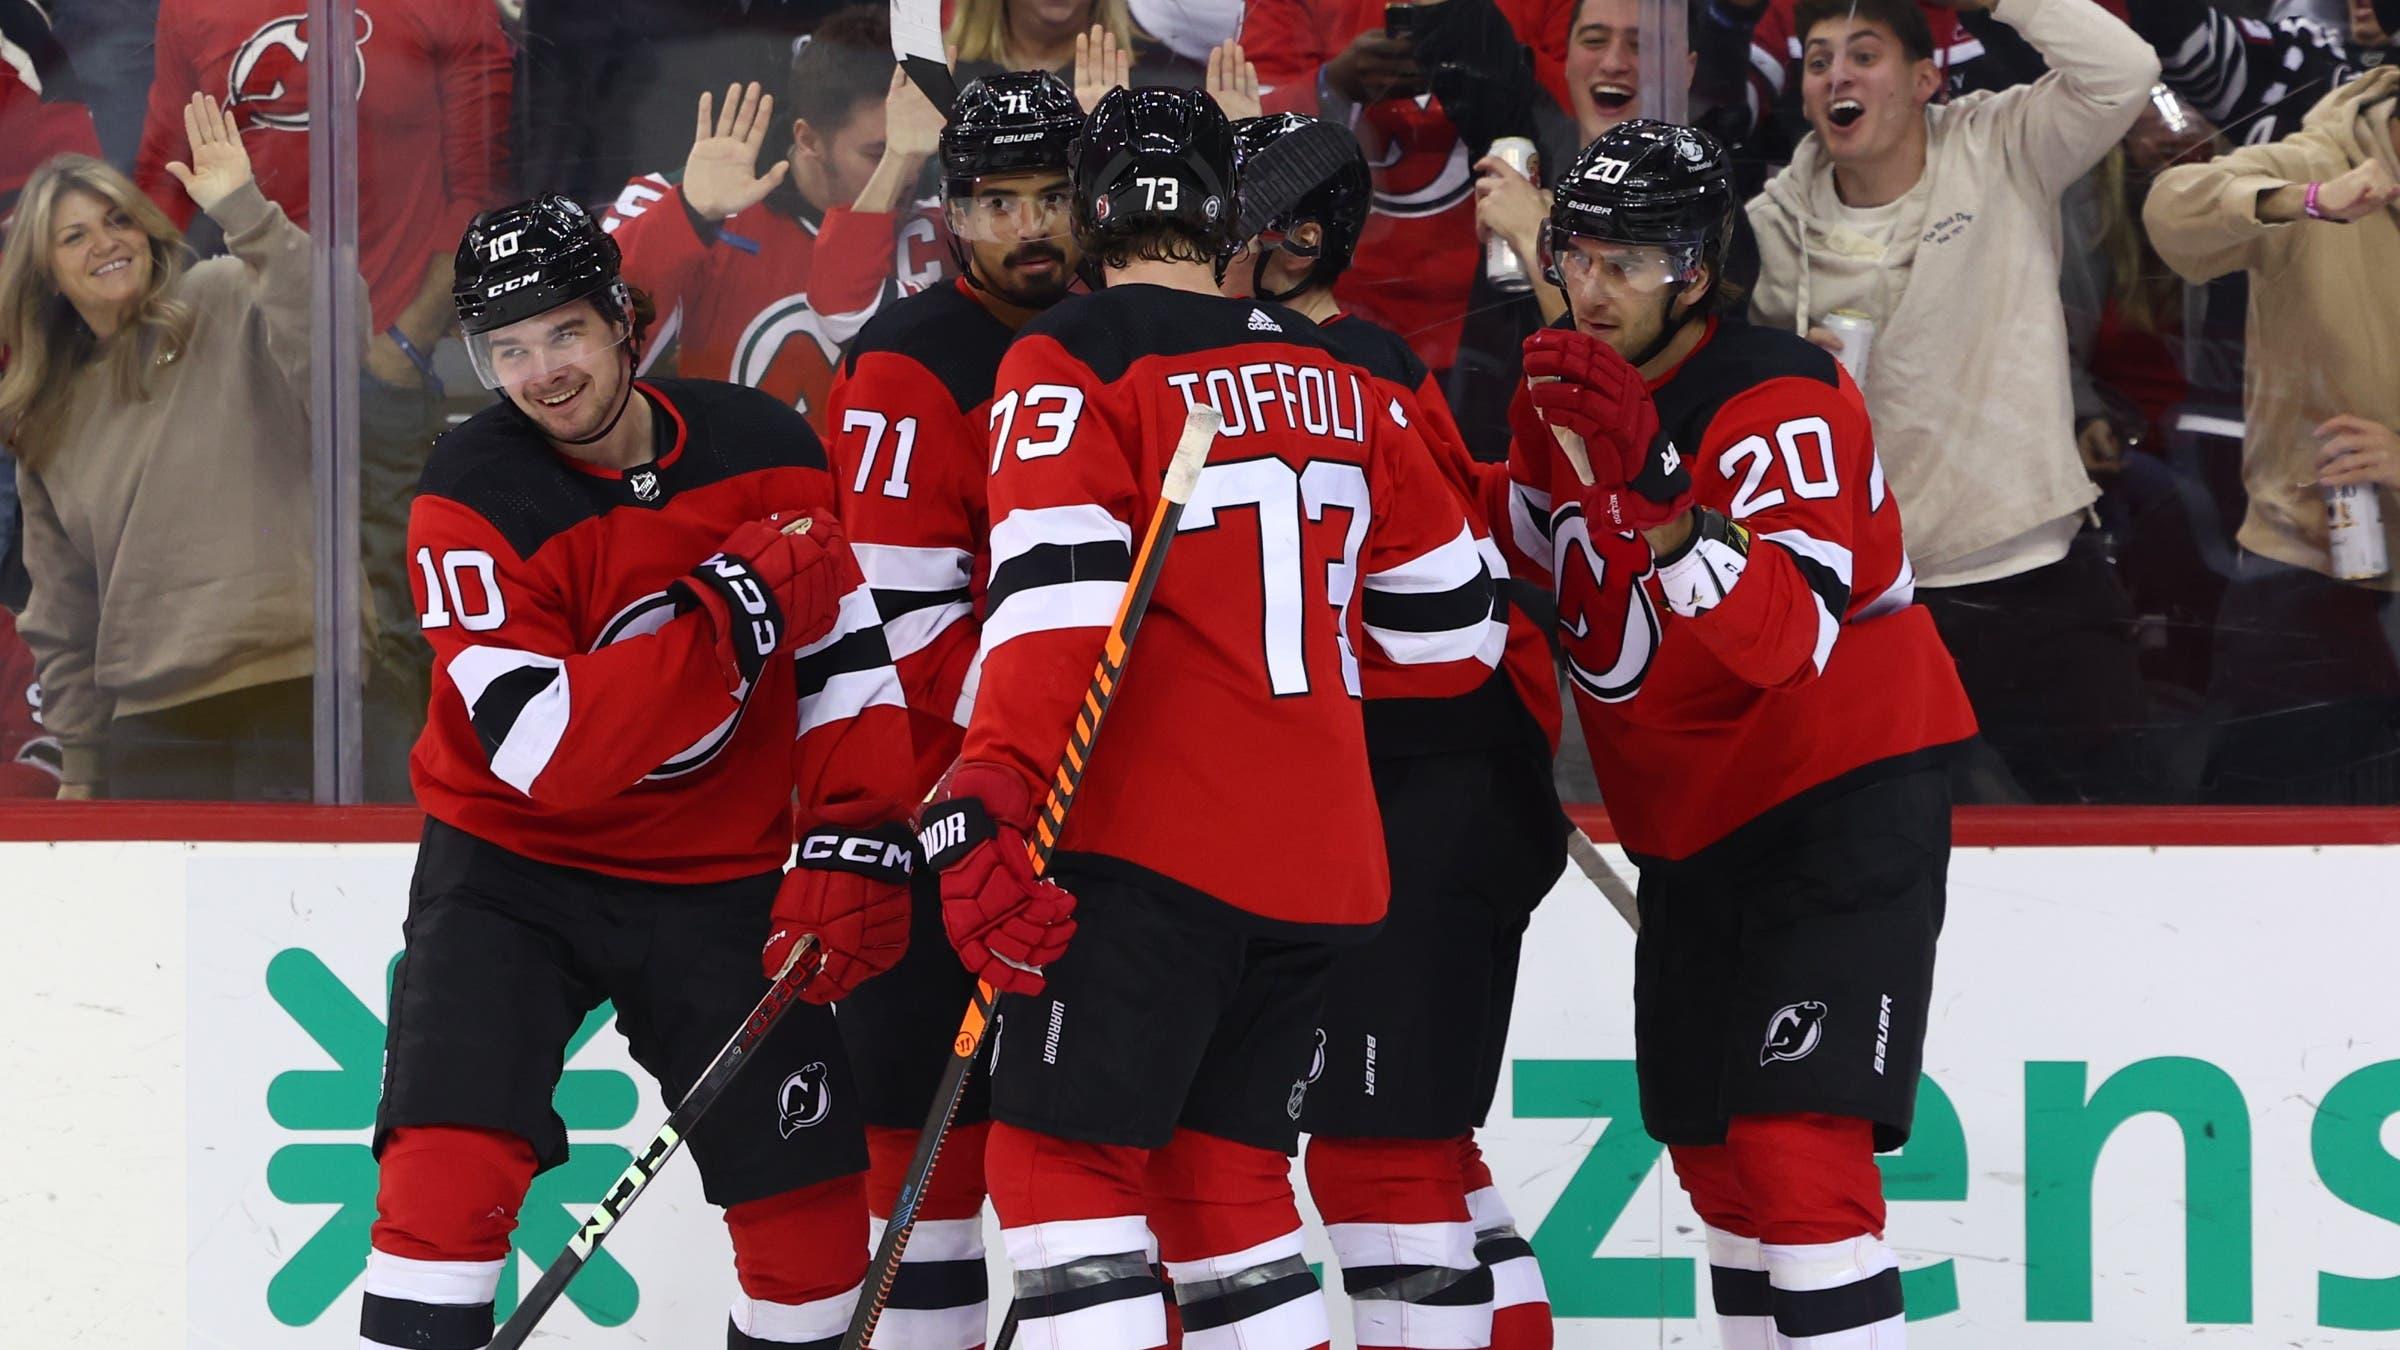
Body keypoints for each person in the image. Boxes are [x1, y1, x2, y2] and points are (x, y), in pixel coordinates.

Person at [916, 85, 1495, 1350]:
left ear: (1090, 209)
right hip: (1322, 866)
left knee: (1058, 1173)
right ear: (1227, 211)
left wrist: (988, 789)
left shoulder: (1069, 353)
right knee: (1221, 1183)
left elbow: (1054, 614)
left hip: (1150, 846)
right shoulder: (1342, 373)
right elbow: (1457, 632)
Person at [363, 194, 919, 1349]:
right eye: (504, 349)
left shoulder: (764, 446)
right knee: (442, 1180)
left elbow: (845, 660)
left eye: (562, 332)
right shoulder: (470, 496)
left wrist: (853, 829)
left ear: (625, 317)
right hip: (514, 876)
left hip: (723, 876)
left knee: (813, 1222)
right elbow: (549, 754)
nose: (539, 373)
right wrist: (734, 602)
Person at [1507, 120, 1976, 1350]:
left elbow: (1788, 644)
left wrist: (1663, 503)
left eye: (1631, 261)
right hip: (1691, 820)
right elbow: (1511, 584)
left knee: (1792, 1151)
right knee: (1712, 1154)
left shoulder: (1785, 397)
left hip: (1836, 793)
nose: (1594, 287)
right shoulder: (1547, 396)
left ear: (1698, 270)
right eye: (1578, 255)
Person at [1224, 110, 1564, 1350]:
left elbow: (1437, 615)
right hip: (1446, 784)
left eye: (1226, 211)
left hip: (1428, 788)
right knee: (1428, 1155)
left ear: (1301, 239)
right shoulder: (1350, 359)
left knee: (1375, 1165)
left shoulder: (1336, 374)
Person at [822, 68, 1087, 1350]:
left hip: (1089, 819)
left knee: (1080, 1175)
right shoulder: (904, 364)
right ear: (951, 213)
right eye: (997, 201)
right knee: (925, 1167)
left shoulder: (1119, 338)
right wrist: (1041, 732)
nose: (1027, 225)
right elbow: (905, 632)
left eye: (1050, 197)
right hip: (943, 817)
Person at [1746, 0, 2163, 803]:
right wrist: (1786, 372)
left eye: (1864, 54)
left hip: (2033, 577)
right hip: (1870, 604)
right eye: (1819, 58)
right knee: (1890, 854)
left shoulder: (2003, 145)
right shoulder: (1768, 230)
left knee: (2119, 837)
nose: (1838, 73)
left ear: (1925, 79)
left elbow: (2127, 73)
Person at [135, 0, 514, 797]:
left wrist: (407, 342)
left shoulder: (452, 6)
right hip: (245, 372)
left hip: (381, 365)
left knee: (389, 640)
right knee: (257, 635)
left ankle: (389, 851)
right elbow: (161, 181)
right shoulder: (193, 8)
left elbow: (478, 190)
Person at [0, 99, 338, 800]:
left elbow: (340, 340)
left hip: (294, 687)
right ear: (44, 274)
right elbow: (63, 611)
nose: (104, 242)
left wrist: (246, 210)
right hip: (148, 724)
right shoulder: (45, 415)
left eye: (117, 218)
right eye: (74, 236)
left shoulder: (221, 292)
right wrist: (82, 765)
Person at [2143, 65, 2400, 802]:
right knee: (2263, 832)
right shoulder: (2323, 159)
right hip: (2308, 567)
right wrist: (2309, 202)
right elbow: (2172, 210)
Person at [601, 5, 948, 432]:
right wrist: (687, 214)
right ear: (808, 139)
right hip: (741, 485)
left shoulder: (955, 201)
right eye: (880, 153)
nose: (908, 167)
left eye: (919, 144)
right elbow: (599, 355)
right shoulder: (678, 203)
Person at [1245, 0, 1572, 376]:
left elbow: (1588, 101)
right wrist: (1331, 86)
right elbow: (1250, 133)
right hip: (1327, 325)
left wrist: (1510, 67)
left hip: (1499, 325)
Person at [1474, 0, 1701, 328]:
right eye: (1594, 40)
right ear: (1566, 58)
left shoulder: (1708, 208)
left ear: (1685, 70)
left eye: (1640, 46)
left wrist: (1534, 238)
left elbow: (1629, 369)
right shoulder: (1535, 164)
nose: (1613, 63)